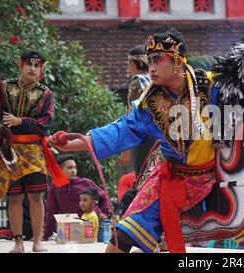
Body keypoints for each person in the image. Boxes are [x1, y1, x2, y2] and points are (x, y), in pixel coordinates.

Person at [48, 31, 218, 253]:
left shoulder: (211, 85)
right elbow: (119, 131)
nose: (152, 67)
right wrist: (73, 143)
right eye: (150, 61)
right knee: (119, 241)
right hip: (169, 180)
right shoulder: (151, 103)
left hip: (216, 177)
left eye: (158, 60)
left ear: (177, 60)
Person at [0, 50, 61, 253]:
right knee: (14, 197)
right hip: (10, 151)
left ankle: (37, 240)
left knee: (36, 196)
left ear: (41, 69)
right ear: (20, 65)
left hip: (34, 151)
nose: (33, 69)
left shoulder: (46, 94)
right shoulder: (3, 87)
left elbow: (46, 124)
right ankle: (17, 242)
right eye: (29, 65)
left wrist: (20, 121)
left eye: (37, 66)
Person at [43, 154, 112, 241]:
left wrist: (105, 212)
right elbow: (51, 211)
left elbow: (103, 196)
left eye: (75, 167)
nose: (73, 170)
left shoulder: (85, 182)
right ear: (59, 170)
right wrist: (45, 236)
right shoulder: (54, 186)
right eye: (69, 168)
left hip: (94, 225)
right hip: (73, 228)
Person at [118, 44, 155, 178]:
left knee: (143, 177)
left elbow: (133, 115)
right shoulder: (157, 78)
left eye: (129, 62)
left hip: (146, 137)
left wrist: (126, 149)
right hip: (164, 136)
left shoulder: (137, 82)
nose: (128, 67)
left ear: (135, 63)